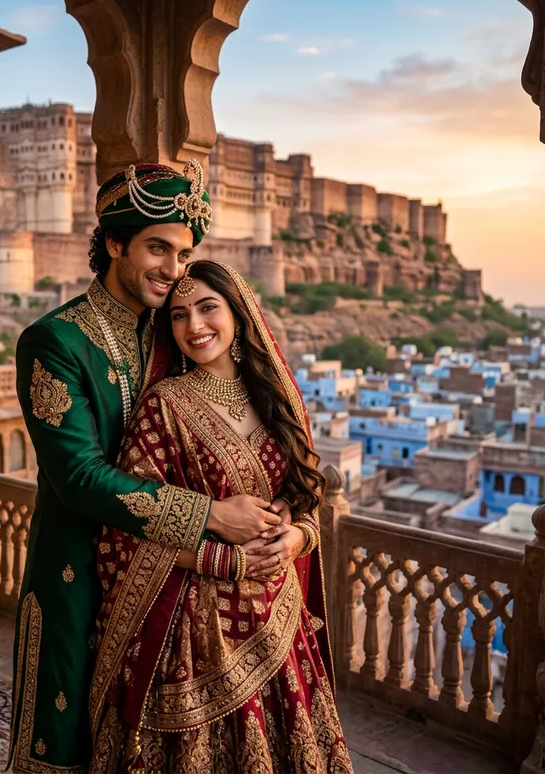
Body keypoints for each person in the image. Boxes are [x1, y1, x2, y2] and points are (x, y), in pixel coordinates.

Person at [8, 162, 290, 773]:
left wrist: (286, 521)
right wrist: (213, 516)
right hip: (77, 571)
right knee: (61, 744)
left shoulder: (174, 333)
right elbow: (79, 477)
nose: (173, 268)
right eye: (157, 247)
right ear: (114, 244)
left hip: (168, 576)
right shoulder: (55, 341)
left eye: (184, 254)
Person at [88, 260, 353, 773]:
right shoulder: (164, 407)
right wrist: (221, 559)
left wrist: (299, 536)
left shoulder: (275, 395)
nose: (194, 326)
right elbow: (125, 529)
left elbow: (305, 496)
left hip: (279, 617)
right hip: (193, 630)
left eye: (208, 307)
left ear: (239, 310)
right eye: (180, 315)